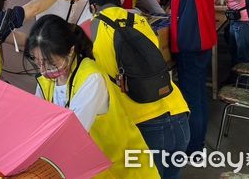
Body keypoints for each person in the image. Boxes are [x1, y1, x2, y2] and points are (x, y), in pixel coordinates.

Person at [27, 15, 159, 179]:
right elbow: (37, 124)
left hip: (122, 170)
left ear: (70, 51)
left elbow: (70, 136)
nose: (43, 70)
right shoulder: (45, 82)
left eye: (50, 62)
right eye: (36, 61)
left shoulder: (91, 78)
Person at [88, 0, 189, 179]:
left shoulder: (96, 26)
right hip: (179, 112)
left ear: (93, 7)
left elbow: (101, 77)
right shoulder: (139, 20)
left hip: (144, 123)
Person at [152, 0, 216, 155]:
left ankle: (194, 147)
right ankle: (198, 144)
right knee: (198, 94)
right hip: (201, 43)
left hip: (192, 44)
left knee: (193, 97)